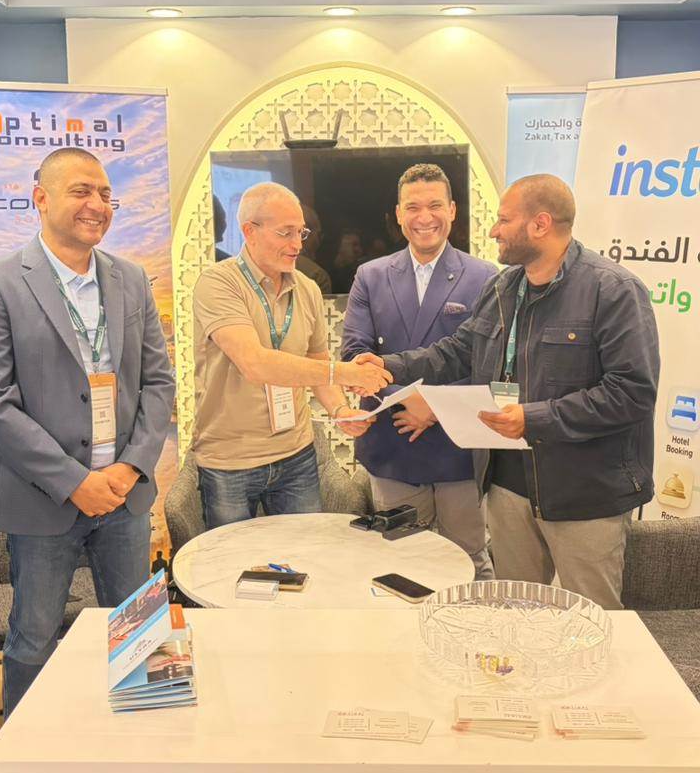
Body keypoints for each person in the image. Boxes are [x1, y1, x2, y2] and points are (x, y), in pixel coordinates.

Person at [353, 174, 659, 610]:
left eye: (503, 220)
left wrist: (532, 419)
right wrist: (389, 365)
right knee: (515, 615)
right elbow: (458, 351)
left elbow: (631, 393)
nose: (494, 230)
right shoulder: (503, 288)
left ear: (540, 224)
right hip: (508, 489)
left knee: (589, 620)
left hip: (584, 493)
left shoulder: (612, 290)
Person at [0, 149, 175, 715]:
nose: (97, 204)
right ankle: (28, 755)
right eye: (81, 191)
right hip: (43, 500)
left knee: (138, 635)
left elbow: (158, 383)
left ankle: (143, 740)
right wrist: (74, 482)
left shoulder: (130, 278)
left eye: (106, 194)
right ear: (41, 198)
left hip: (124, 497)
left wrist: (130, 467)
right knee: (33, 639)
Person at [192, 182, 388, 529]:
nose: (298, 244)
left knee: (304, 551)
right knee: (233, 559)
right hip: (230, 461)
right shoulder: (218, 284)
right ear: (249, 231)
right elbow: (256, 364)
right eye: (285, 233)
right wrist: (345, 372)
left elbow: (317, 360)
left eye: (301, 232)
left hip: (296, 455)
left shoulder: (307, 288)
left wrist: (340, 410)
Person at [342, 163, 496, 578]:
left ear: (452, 210)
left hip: (458, 447)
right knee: (399, 566)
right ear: (398, 214)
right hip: (392, 442)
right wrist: (408, 401)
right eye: (412, 207)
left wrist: (435, 408)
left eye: (434, 205)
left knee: (469, 560)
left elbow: (487, 360)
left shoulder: (486, 277)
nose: (424, 217)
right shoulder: (370, 276)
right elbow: (356, 354)